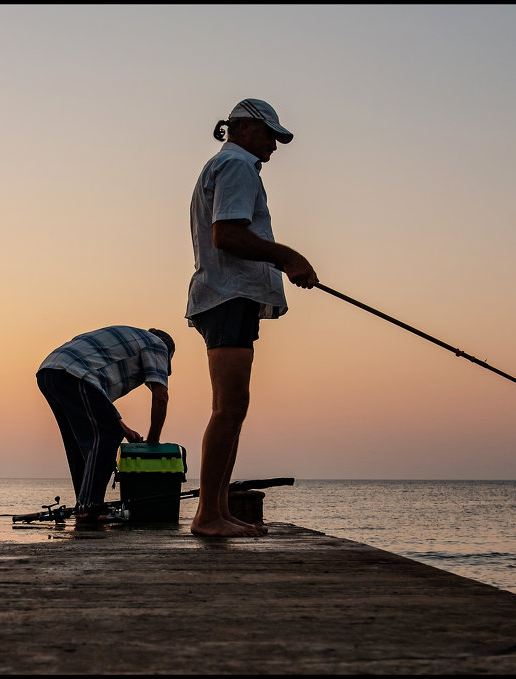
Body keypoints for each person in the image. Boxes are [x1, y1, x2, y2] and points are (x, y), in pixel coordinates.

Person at [186, 98, 318, 537]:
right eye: (269, 135)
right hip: (227, 296)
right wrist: (288, 257)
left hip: (227, 297)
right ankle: (208, 516)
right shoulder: (237, 166)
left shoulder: (232, 166)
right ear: (242, 129)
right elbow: (228, 235)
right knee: (229, 408)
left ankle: (218, 512)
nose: (275, 146)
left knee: (233, 408)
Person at [36, 326, 175, 520]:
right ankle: (91, 505)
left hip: (49, 372)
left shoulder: (131, 338)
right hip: (73, 373)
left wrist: (124, 428)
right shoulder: (157, 344)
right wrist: (153, 442)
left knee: (80, 441)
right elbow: (161, 397)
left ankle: (84, 505)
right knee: (107, 436)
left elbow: (96, 400)